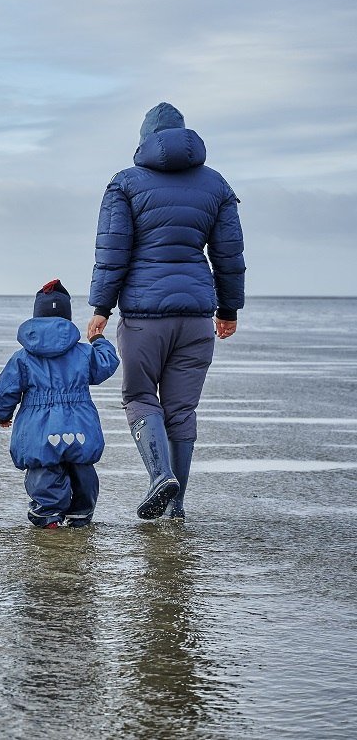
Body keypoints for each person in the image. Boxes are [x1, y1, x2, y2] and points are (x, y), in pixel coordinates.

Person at [87, 102, 246, 520]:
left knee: (140, 397)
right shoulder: (217, 185)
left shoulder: (125, 184)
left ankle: (160, 476)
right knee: (181, 410)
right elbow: (229, 255)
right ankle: (176, 509)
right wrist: (228, 309)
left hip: (143, 315)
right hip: (196, 315)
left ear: (144, 141)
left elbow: (112, 252)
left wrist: (102, 307)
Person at [0, 280, 120, 528]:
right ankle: (80, 513)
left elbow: (5, 389)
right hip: (79, 424)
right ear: (67, 319)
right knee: (82, 468)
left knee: (44, 470)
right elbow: (107, 363)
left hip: (39, 428)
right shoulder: (83, 352)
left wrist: (2, 414)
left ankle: (48, 515)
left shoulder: (23, 358)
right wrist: (99, 339)